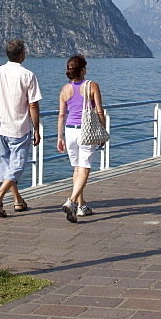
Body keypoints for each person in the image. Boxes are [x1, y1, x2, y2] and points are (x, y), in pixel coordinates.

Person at [0, 39, 41, 218]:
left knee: (6, 165)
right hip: (20, 129)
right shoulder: (28, 75)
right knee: (17, 166)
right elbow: (32, 105)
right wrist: (36, 128)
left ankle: (18, 201)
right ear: (22, 54)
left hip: (1, 128)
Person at [56, 55, 106, 223]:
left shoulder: (64, 89)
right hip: (86, 132)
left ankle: (81, 205)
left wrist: (59, 137)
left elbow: (62, 115)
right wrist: (103, 132)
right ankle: (71, 202)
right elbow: (99, 112)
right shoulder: (92, 86)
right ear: (83, 69)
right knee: (84, 170)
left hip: (69, 131)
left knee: (77, 169)